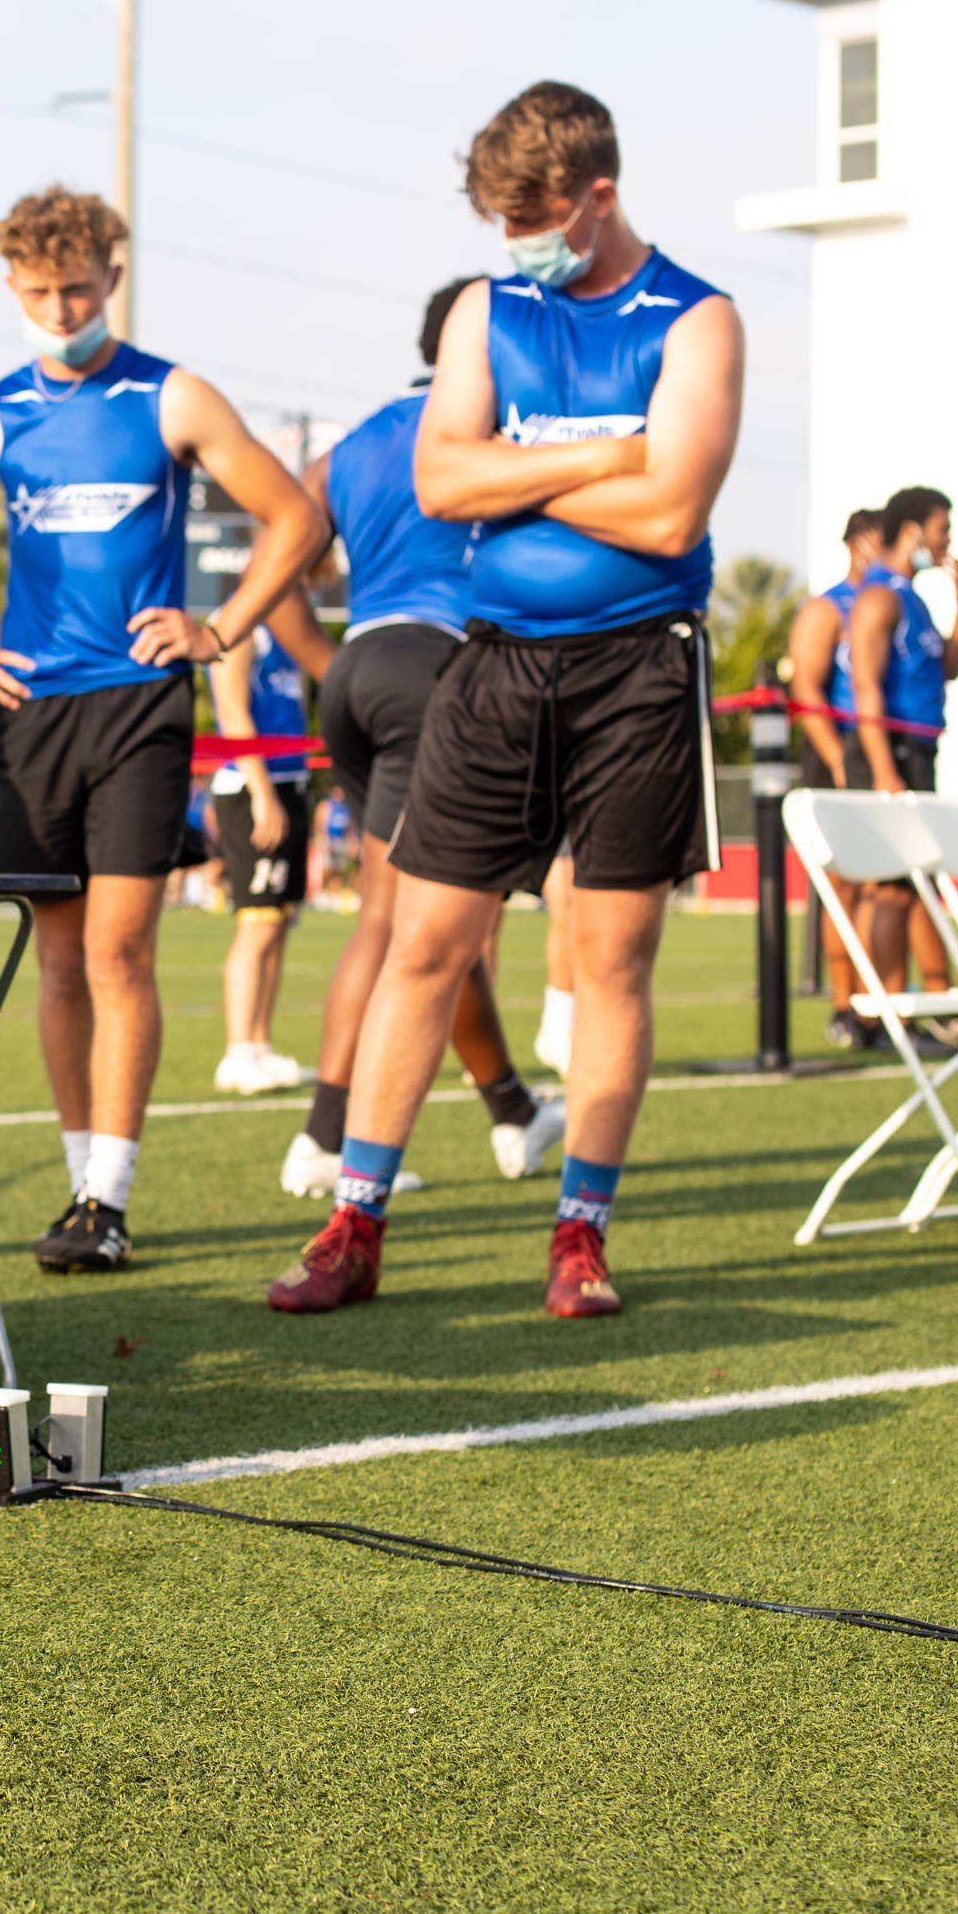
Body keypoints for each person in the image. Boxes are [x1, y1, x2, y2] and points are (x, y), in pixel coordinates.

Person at [263, 80, 742, 1320]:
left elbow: (674, 512)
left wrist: (513, 472)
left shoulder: (699, 322)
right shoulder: (487, 309)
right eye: (497, 220)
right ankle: (354, 1223)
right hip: (494, 663)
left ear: (600, 193)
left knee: (610, 958)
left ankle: (579, 1235)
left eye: (532, 216)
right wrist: (600, 454)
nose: (516, 242)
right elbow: (439, 477)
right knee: (423, 944)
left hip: (642, 669)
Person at [0, 183, 326, 1272]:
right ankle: (79, 1185)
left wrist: (219, 626)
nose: (61, 306)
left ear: (112, 276)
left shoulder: (173, 397)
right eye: (38, 290)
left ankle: (109, 1195)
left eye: (78, 285)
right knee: (61, 959)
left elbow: (295, 518)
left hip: (138, 706)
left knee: (123, 947)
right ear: (12, 288)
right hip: (30, 713)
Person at [278, 276, 564, 1198]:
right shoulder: (496, 434)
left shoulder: (353, 443)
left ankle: (513, 1109)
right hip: (444, 672)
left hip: (363, 672)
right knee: (405, 929)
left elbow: (276, 551)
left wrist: (328, 661)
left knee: (430, 927)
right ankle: (325, 1141)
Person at [830, 488, 958, 1025]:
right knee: (890, 889)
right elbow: (865, 684)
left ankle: (909, 1010)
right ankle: (880, 1014)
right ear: (912, 531)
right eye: (942, 528)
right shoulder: (880, 596)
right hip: (890, 756)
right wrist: (885, 770)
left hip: (919, 751)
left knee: (913, 886)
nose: (947, 539)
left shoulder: (916, 599)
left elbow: (949, 668)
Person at [209, 602, 333, 1096]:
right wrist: (261, 793)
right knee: (257, 924)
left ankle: (260, 1045)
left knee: (279, 921)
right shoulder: (239, 623)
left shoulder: (293, 626)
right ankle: (237, 1051)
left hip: (290, 782)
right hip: (250, 788)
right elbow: (231, 709)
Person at [784, 507, 889, 1044]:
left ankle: (881, 1004)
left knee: (885, 888)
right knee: (842, 888)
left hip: (879, 755)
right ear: (852, 544)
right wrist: (839, 762)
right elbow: (807, 691)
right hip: (839, 758)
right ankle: (843, 1004)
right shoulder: (828, 609)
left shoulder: (893, 603)